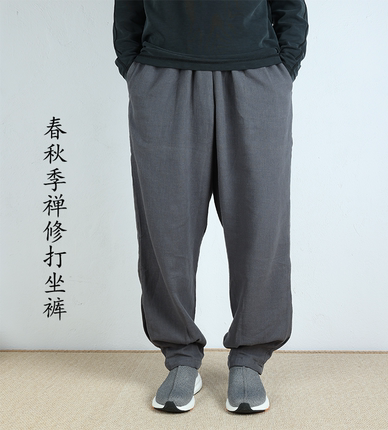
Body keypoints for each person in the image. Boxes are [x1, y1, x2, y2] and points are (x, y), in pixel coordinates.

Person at [113, 0, 308, 414]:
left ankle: (250, 359)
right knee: (166, 227)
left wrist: (283, 69)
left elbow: (290, 7)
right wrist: (135, 70)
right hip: (163, 74)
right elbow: (128, 8)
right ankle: (180, 356)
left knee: (261, 224)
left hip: (256, 73)